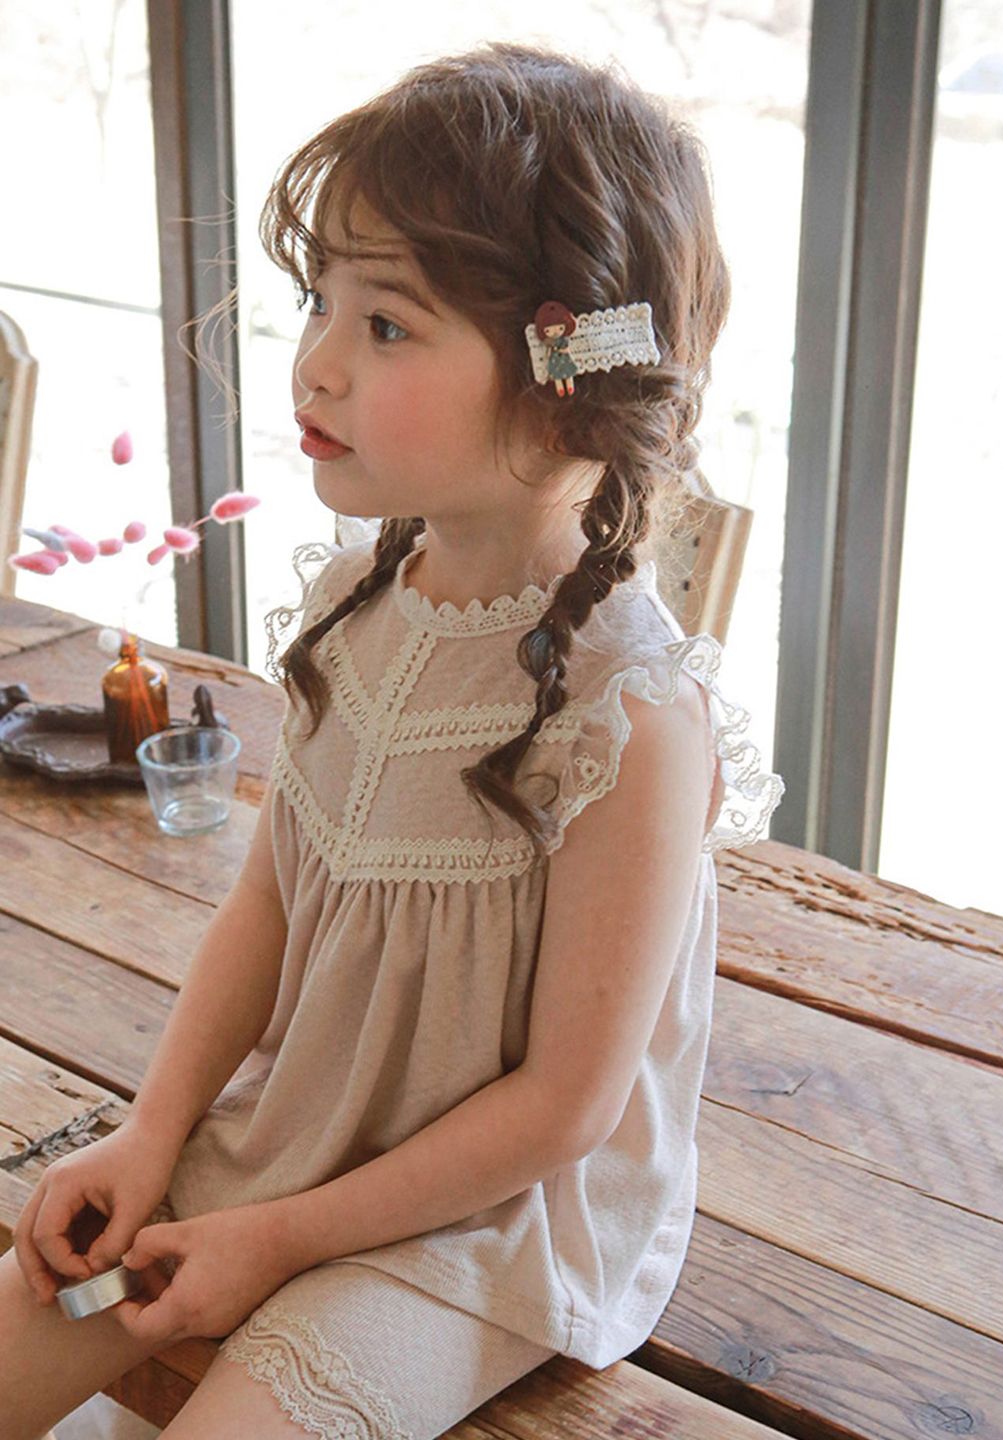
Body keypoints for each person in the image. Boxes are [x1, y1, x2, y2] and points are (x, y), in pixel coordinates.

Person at [1, 39, 785, 1440]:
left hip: (479, 1226)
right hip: (300, 1127)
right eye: (320, 301)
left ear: (561, 375)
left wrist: (277, 1238)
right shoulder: (353, 603)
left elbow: (563, 1109)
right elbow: (267, 905)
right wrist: (152, 1130)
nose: (314, 362)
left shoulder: (630, 712)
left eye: (387, 326)